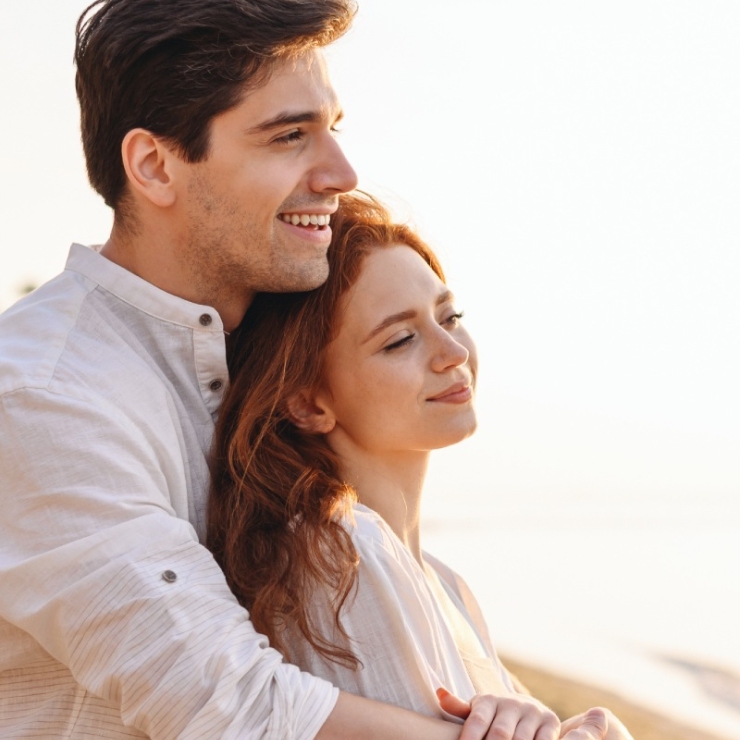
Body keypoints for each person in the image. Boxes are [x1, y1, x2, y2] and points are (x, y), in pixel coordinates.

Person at [0, 1, 614, 739]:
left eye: (333, 127)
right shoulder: (45, 391)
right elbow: (227, 704)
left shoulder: (264, 349)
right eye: (290, 136)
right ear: (155, 165)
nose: (341, 172)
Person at [208, 191, 635, 740]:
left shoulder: (440, 581)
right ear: (309, 402)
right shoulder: (341, 554)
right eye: (401, 340)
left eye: (449, 316)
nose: (452, 352)